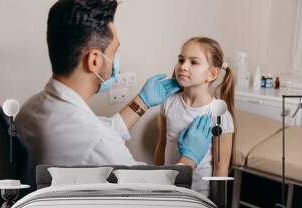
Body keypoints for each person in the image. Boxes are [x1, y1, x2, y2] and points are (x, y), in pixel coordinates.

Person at [15, 0, 212, 185]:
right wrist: (190, 159)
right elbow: (154, 187)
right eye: (114, 52)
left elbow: (100, 132)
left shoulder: (31, 108)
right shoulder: (95, 140)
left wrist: (142, 102)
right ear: (94, 61)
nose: (116, 59)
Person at [154, 37, 235, 196]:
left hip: (199, 195)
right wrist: (155, 180)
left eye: (194, 62)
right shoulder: (168, 103)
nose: (183, 66)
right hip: (168, 188)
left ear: (212, 74)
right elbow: (161, 144)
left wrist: (216, 203)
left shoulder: (219, 114)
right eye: (181, 60)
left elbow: (220, 167)